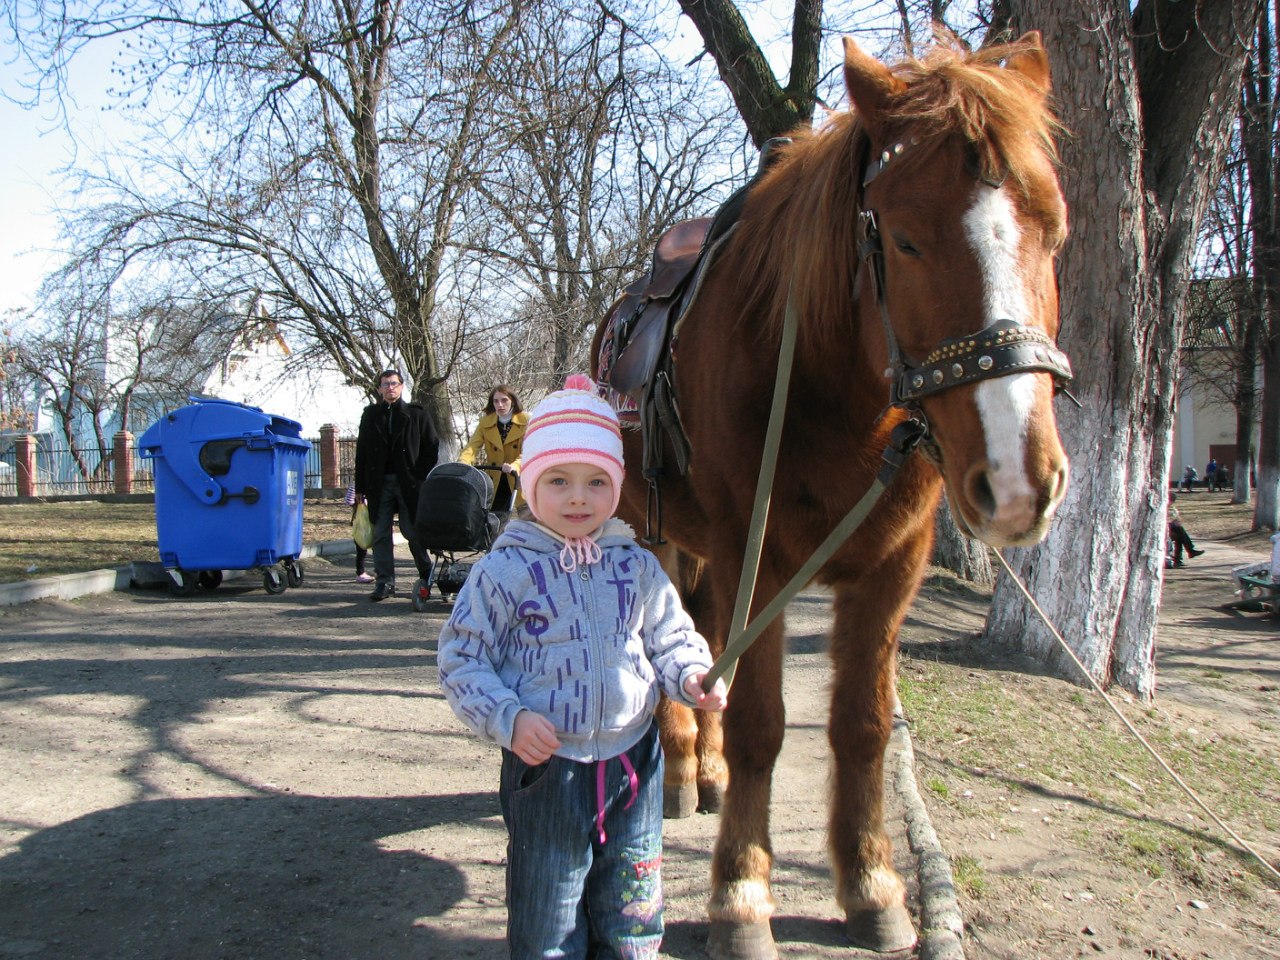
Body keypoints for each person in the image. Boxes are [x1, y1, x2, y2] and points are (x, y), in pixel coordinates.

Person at [437, 374, 728, 960]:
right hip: (547, 770)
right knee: (550, 916)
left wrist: (691, 675)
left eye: (596, 481)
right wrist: (508, 718)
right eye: (559, 480)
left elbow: (671, 637)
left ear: (617, 487)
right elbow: (461, 658)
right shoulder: (504, 572)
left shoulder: (636, 565)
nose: (578, 498)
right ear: (530, 483)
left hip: (634, 764)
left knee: (634, 911)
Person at [353, 369, 441, 601]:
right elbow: (362, 452)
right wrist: (360, 487)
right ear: (379, 389)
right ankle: (385, 582)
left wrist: (418, 474)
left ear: (401, 387)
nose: (390, 388)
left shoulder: (417, 414)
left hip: (409, 483)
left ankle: (426, 573)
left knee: (412, 531)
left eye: (394, 383)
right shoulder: (370, 415)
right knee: (380, 533)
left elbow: (432, 446)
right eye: (385, 384)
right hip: (378, 483)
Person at [457, 384, 528, 514]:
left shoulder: (526, 421)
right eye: (496, 401)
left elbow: (529, 451)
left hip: (520, 477)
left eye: (504, 400)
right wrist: (463, 462)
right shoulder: (486, 422)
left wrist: (515, 466)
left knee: (528, 517)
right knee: (495, 518)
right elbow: (472, 446)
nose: (500, 405)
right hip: (496, 477)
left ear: (512, 401)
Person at [344, 481, 373, 583]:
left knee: (365, 549)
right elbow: (349, 500)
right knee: (361, 548)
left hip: (366, 518)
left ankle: (365, 572)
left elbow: (348, 500)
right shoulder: (358, 482)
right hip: (362, 520)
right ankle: (361, 573)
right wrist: (360, 504)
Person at [1167, 493, 1204, 567]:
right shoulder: (1161, 507)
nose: (1171, 504)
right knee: (1180, 531)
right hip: (1163, 530)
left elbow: (1177, 521)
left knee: (1180, 534)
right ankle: (1188, 552)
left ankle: (1181, 558)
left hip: (1169, 530)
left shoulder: (1171, 509)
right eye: (1170, 501)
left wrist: (1176, 519)